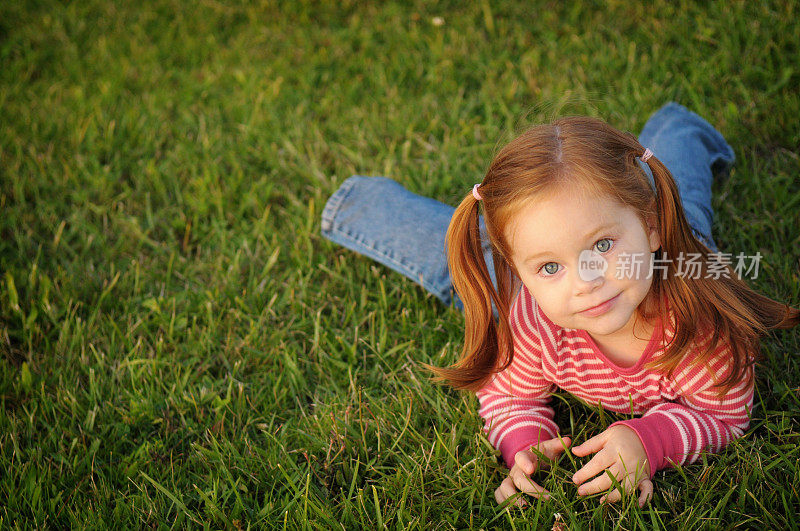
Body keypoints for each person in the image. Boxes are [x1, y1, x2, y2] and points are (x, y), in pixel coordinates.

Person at [319, 102, 799, 508]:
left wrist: (651, 440)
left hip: (681, 257)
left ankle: (678, 126)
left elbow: (724, 415)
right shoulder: (529, 316)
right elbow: (510, 395)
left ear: (649, 227)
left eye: (603, 245)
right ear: (520, 274)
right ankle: (359, 202)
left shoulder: (699, 322)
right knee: (465, 263)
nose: (586, 282)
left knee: (681, 194)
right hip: (523, 264)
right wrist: (525, 446)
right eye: (549, 267)